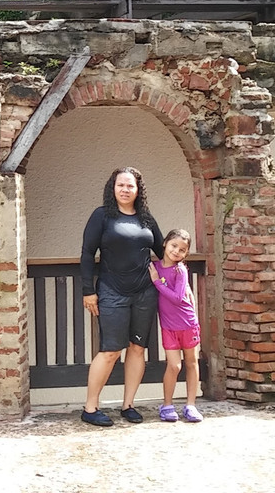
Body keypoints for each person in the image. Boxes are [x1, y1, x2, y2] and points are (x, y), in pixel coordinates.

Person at [79, 167, 163, 426]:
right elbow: (86, 254)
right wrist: (88, 291)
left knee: (137, 349)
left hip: (144, 294)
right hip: (111, 292)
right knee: (111, 351)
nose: (125, 190)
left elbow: (162, 250)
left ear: (138, 190)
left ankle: (128, 406)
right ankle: (90, 408)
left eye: (130, 186)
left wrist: (175, 272)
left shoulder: (146, 218)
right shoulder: (102, 216)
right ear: (112, 188)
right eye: (121, 185)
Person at [149, 228, 204, 423]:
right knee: (174, 365)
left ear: (186, 254)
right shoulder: (154, 266)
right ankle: (167, 405)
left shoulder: (180, 269)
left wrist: (157, 282)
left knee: (191, 362)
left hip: (188, 323)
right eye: (173, 245)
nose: (176, 251)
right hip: (169, 327)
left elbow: (178, 298)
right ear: (165, 243)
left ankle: (190, 405)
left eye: (182, 250)